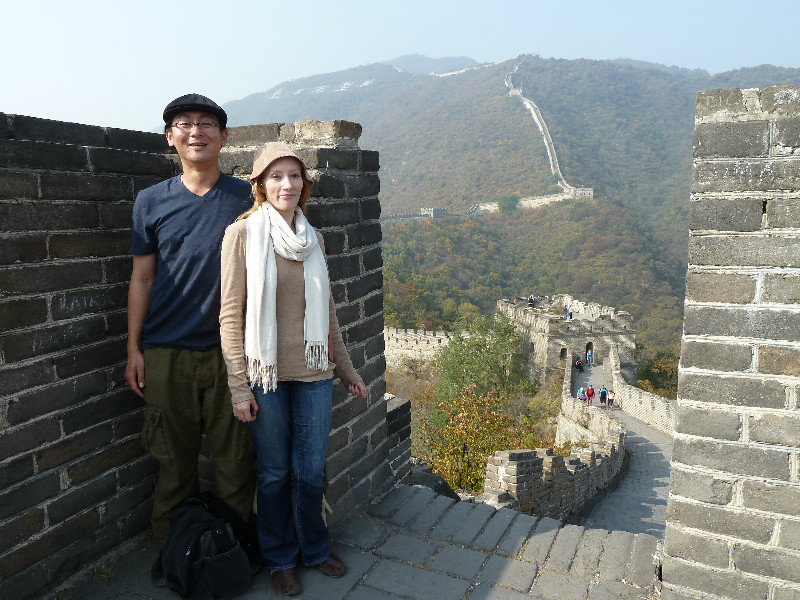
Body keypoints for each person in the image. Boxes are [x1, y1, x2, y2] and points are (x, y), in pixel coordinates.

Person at [219, 142, 366, 596]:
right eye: (277, 176)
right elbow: (230, 314)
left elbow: (329, 317)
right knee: (274, 473)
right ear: (261, 185)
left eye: (295, 176)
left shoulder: (312, 239)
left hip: (314, 374)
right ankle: (279, 556)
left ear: (304, 185)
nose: (287, 184)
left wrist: (348, 371)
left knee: (308, 470)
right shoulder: (241, 234)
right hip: (265, 378)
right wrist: (239, 387)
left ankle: (315, 549)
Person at [125, 94, 256, 585]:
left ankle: (238, 550)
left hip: (233, 356)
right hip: (166, 354)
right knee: (172, 463)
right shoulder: (152, 201)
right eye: (185, 124)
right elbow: (142, 278)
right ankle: (175, 553)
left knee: (235, 462)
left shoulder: (247, 199)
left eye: (207, 124)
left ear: (224, 137)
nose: (196, 132)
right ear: (170, 136)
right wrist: (133, 349)